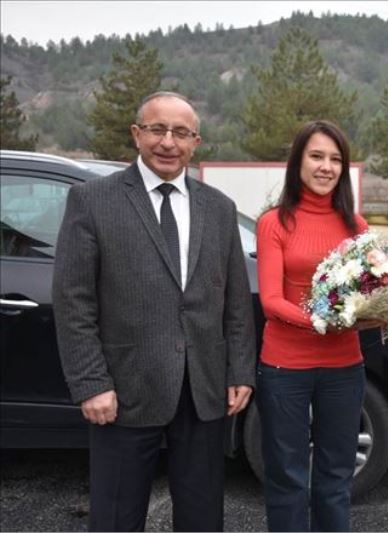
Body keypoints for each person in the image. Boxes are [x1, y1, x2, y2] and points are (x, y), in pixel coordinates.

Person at [52, 91, 256, 531]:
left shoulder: (219, 209)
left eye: (181, 133)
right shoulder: (93, 200)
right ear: (136, 134)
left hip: (202, 391)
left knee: (202, 518)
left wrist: (240, 371)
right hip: (124, 392)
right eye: (157, 129)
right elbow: (74, 301)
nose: (168, 142)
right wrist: (91, 383)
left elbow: (237, 302)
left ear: (195, 142)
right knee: (116, 517)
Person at [256, 120, 369, 532]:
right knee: (287, 476)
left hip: (344, 366)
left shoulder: (357, 227)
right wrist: (325, 322)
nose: (326, 167)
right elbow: (271, 301)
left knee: (335, 477)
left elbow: (367, 295)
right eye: (317, 156)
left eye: (335, 159)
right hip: (285, 366)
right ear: (298, 162)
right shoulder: (274, 222)